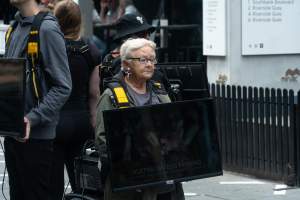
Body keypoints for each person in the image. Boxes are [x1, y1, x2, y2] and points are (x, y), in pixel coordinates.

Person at [95, 38, 185, 200]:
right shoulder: (111, 96)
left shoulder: (160, 92)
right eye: (143, 60)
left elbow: (174, 128)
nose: (150, 64)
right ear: (126, 64)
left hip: (163, 181)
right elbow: (103, 142)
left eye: (152, 59)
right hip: (129, 185)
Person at [3, 0, 72, 200]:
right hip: (13, 133)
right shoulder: (14, 27)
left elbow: (63, 86)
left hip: (37, 138)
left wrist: (32, 118)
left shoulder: (47, 29)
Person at [51, 0, 101, 198]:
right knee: (84, 185)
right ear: (80, 22)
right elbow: (94, 93)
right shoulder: (91, 52)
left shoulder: (52, 50)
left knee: (52, 184)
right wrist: (94, 123)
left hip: (54, 123)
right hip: (81, 121)